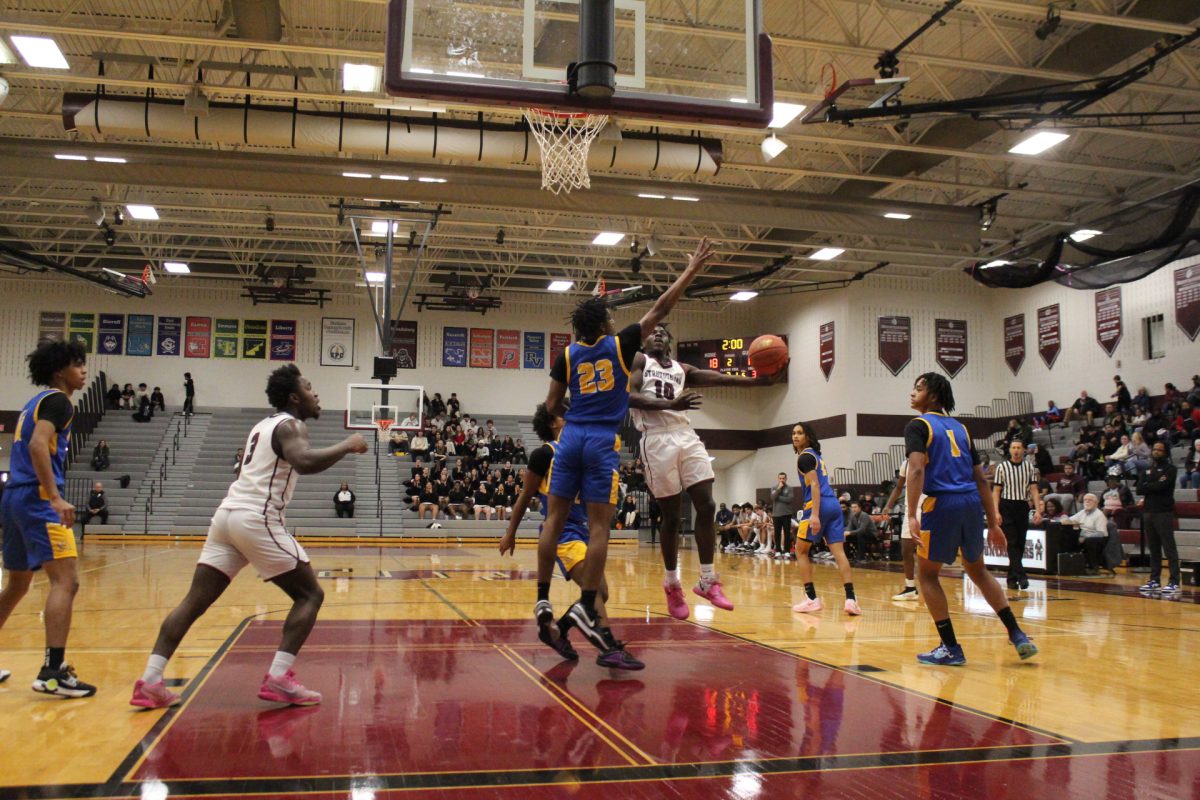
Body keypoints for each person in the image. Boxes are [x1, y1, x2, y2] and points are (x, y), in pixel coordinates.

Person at [129, 365, 367, 709]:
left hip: (226, 516)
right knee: (310, 595)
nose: (316, 395)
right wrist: (346, 445)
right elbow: (303, 462)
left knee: (193, 602)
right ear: (294, 397)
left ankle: (150, 681)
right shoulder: (291, 425)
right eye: (310, 388)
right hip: (255, 516)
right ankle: (279, 678)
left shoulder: (262, 425)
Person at [538, 237, 715, 660]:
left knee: (555, 519)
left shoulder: (566, 355)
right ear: (604, 326)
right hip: (600, 439)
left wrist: (573, 408)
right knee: (601, 528)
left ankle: (543, 597)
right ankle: (583, 607)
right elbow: (662, 309)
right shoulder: (620, 346)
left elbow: (549, 407)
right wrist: (690, 270)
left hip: (571, 436)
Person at [627, 321, 783, 618]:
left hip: (686, 436)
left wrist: (758, 382)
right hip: (656, 440)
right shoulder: (639, 361)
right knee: (671, 517)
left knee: (707, 504)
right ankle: (672, 584)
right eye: (652, 332)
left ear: (670, 342)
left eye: (663, 332)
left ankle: (707, 580)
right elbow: (629, 397)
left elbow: (719, 378)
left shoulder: (681, 370)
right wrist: (672, 402)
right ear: (644, 342)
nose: (657, 334)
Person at [904, 372, 1037, 666]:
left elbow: (915, 470)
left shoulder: (918, 425)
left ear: (934, 396)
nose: (912, 393)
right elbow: (980, 477)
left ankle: (950, 646)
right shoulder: (961, 429)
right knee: (978, 571)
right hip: (970, 503)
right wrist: (992, 523)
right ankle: (1017, 634)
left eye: (919, 388)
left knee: (926, 574)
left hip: (942, 504)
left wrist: (911, 513)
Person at [500, 404, 640, 669]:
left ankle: (560, 629)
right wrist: (511, 532)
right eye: (566, 415)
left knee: (603, 592)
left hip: (582, 528)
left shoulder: (580, 452)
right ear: (554, 423)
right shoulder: (545, 454)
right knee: (595, 590)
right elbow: (524, 496)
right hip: (563, 532)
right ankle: (608, 648)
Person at [0, 339, 94, 696]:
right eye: (77, 364)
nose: (83, 369)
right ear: (59, 371)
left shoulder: (32, 403)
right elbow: (40, 445)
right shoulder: (59, 401)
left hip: (13, 497)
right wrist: (55, 497)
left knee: (18, 584)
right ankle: (52, 672)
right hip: (38, 499)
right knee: (66, 582)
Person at [790, 421, 861, 616]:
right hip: (834, 505)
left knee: (801, 551)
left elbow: (814, 485)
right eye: (794, 433)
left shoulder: (804, 457)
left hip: (818, 505)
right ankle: (851, 599)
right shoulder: (816, 456)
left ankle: (812, 598)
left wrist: (813, 514)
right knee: (839, 553)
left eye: (800, 433)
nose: (795, 436)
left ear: (808, 436)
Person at [991, 439, 1042, 590]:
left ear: (1024, 450)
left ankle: (1011, 578)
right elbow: (996, 491)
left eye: (1019, 447)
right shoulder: (1002, 467)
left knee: (1020, 543)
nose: (1016, 450)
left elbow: (1033, 489)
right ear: (1010, 450)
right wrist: (996, 511)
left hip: (1022, 506)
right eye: (1013, 447)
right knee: (1012, 542)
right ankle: (1022, 576)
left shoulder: (1029, 467)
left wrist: (1038, 510)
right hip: (1007, 505)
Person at [1138, 441, 1180, 596]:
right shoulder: (1147, 469)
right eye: (1154, 449)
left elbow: (1161, 487)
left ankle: (1174, 581)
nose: (1156, 452)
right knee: (1153, 548)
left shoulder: (1171, 469)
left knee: (1169, 548)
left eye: (1159, 450)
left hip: (1163, 512)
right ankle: (1154, 580)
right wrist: (1152, 484)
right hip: (1148, 511)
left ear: (1165, 452)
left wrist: (1150, 485)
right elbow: (1139, 488)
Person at [882, 460, 921, 600]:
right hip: (911, 511)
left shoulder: (933, 459)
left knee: (928, 551)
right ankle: (910, 587)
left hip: (929, 509)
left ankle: (931, 586)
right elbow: (898, 487)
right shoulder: (906, 464)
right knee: (906, 549)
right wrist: (888, 505)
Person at [1067, 494, 1109, 575]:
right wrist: (1063, 518)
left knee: (1090, 541)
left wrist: (1085, 537)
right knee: (1068, 537)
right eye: (1085, 500)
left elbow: (1101, 533)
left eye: (1090, 500)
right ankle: (1070, 565)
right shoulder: (1082, 512)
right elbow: (1069, 520)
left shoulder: (1099, 515)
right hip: (1083, 536)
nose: (1087, 502)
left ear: (1096, 503)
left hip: (1099, 539)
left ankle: (1093, 568)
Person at [770, 473, 795, 560]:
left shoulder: (789, 488)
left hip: (786, 514)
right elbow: (773, 497)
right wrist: (779, 489)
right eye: (780, 478)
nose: (782, 480)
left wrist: (778, 497)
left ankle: (787, 551)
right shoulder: (774, 488)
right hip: (776, 514)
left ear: (786, 478)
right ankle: (778, 551)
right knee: (777, 533)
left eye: (783, 478)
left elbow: (789, 499)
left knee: (787, 533)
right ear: (778, 479)